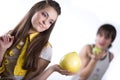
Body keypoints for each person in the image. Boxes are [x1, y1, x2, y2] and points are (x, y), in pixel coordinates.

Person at [0, 0, 72, 80]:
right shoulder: (10, 34)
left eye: (50, 22)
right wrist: (2, 48)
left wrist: (52, 69)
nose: (45, 22)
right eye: (44, 15)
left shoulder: (46, 49)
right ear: (34, 10)